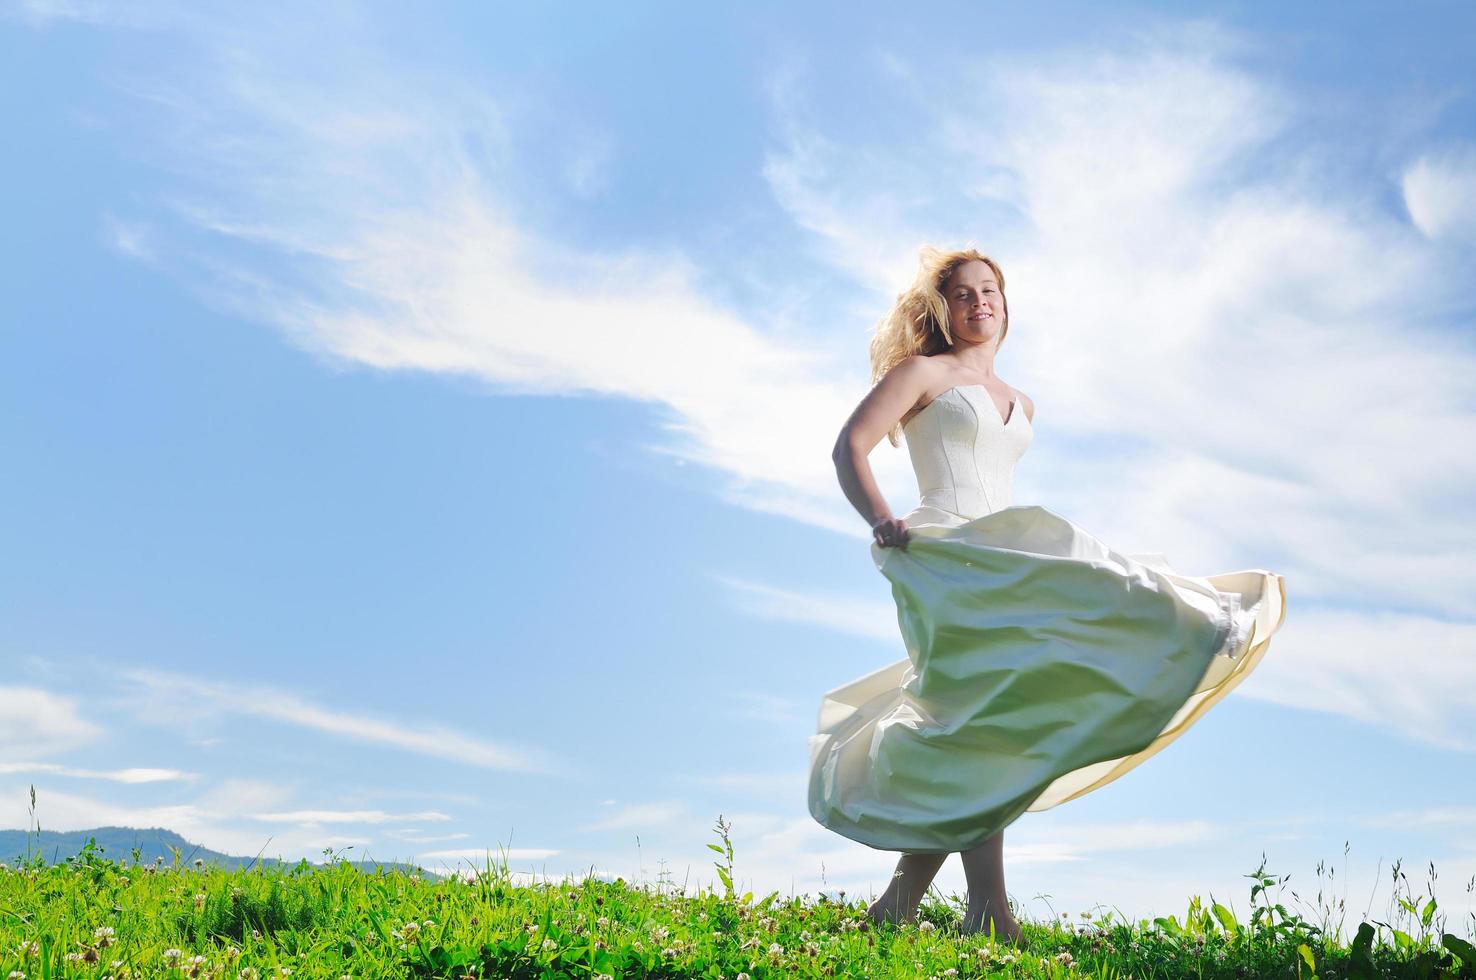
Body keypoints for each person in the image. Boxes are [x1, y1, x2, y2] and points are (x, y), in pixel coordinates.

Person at [807, 246, 1286, 943]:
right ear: (943, 309)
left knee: (994, 722)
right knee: (978, 719)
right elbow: (850, 445)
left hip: (1006, 555)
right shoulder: (923, 373)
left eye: (991, 290)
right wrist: (883, 520)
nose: (981, 303)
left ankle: (904, 906)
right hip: (942, 556)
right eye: (965, 294)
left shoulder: (1022, 401)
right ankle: (989, 912)